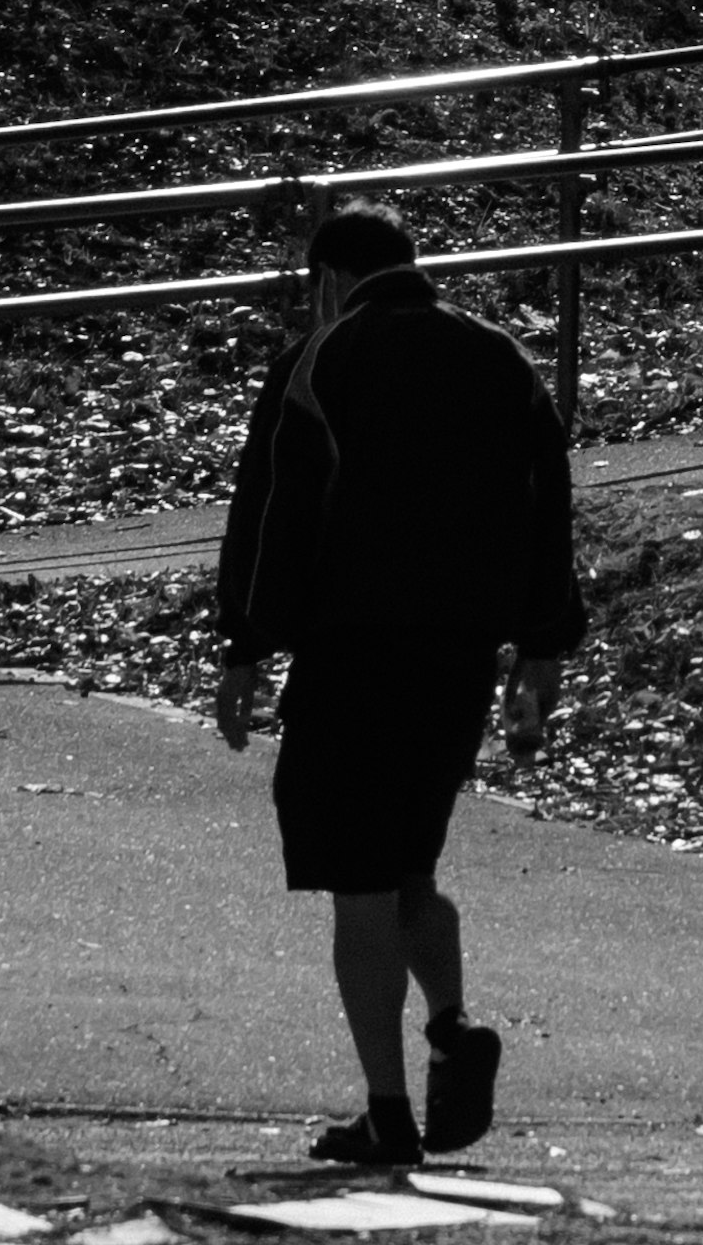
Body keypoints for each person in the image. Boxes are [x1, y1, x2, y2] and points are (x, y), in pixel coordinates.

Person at [214, 201, 583, 1175]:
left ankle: (387, 1114)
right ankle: (453, 1025)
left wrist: (245, 648)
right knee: (410, 869)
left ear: (329, 277)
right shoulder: (500, 357)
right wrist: (541, 648)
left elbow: (275, 516)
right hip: (456, 663)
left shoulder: (321, 361)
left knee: (361, 894)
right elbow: (550, 503)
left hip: (354, 662)